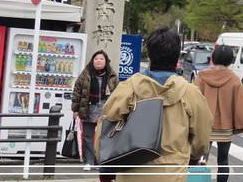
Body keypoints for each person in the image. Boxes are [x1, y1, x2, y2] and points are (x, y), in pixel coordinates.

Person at [98, 26, 213, 182]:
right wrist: (193, 157)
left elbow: (104, 128)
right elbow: (202, 139)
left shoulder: (128, 88)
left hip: (131, 174)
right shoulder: (191, 93)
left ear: (150, 57)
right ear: (177, 57)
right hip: (173, 174)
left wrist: (106, 169)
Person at [195, 45, 243, 182]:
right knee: (223, 161)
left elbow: (192, 100)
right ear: (230, 61)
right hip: (225, 127)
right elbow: (242, 104)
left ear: (212, 59)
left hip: (205, 126)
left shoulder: (201, 77)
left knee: (200, 160)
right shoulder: (234, 79)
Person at [71, 50, 118, 179]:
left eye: (101, 59)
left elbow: (117, 94)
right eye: (96, 58)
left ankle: (100, 161)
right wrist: (75, 109)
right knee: (88, 136)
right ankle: (89, 161)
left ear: (106, 61)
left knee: (104, 137)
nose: (98, 61)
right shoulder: (85, 74)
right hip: (88, 107)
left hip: (105, 108)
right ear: (92, 60)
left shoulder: (112, 75)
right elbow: (77, 92)